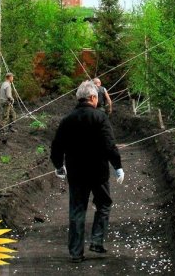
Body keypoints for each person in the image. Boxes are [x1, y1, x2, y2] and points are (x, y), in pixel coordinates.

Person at [50, 81, 124, 262]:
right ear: (92, 98)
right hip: (98, 173)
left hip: (76, 173)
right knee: (104, 204)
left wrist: (59, 166)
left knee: (77, 211)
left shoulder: (67, 120)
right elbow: (109, 144)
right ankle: (97, 241)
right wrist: (118, 166)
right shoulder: (100, 118)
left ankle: (76, 252)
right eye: (97, 98)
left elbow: (56, 147)